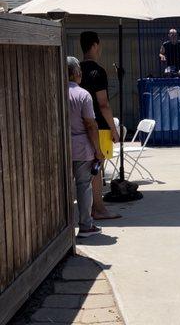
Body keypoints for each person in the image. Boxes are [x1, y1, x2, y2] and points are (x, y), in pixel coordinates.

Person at [79, 31, 121, 220]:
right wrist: (114, 129)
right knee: (96, 169)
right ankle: (99, 209)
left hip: (78, 126)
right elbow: (103, 103)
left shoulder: (75, 71)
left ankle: (90, 208)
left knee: (83, 170)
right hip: (100, 127)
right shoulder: (98, 71)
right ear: (95, 45)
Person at [67, 56, 103, 238]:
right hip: (81, 147)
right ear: (76, 73)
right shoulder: (83, 95)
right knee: (83, 186)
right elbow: (91, 124)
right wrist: (97, 149)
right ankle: (86, 225)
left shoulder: (55, 91)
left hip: (62, 147)